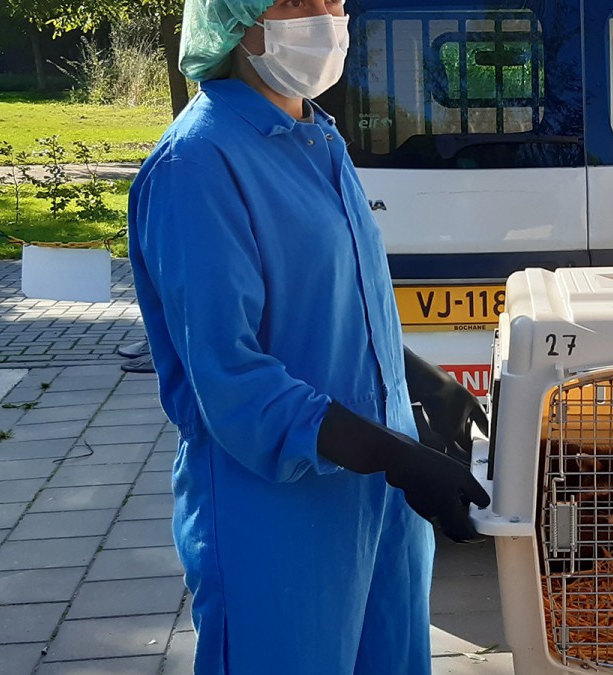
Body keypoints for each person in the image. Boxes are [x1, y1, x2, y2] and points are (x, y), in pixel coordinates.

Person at [127, 0, 492, 672]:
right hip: (276, 528)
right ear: (239, 19)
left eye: (336, 0)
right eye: (301, 0)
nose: (327, 15)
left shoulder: (319, 137)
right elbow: (234, 380)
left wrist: (421, 379)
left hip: (379, 511)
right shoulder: (198, 164)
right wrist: (395, 455)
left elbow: (336, 307)